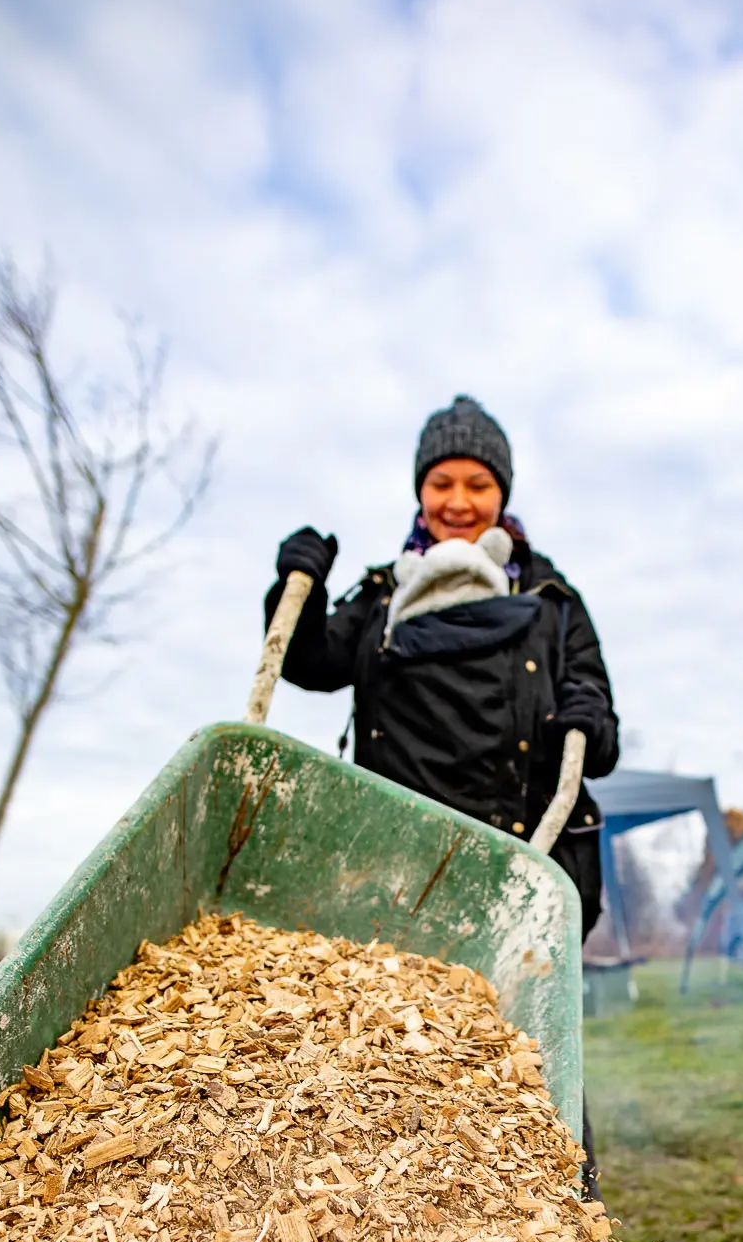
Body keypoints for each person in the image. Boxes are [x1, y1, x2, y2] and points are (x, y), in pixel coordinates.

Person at [264, 395, 619, 939]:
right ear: (420, 492)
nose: (458, 502)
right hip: (396, 872)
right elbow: (310, 663)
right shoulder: (385, 594)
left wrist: (591, 720)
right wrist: (299, 592)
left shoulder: (552, 600)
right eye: (441, 483)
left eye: (478, 485)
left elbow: (601, 741)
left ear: (502, 493)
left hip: (513, 876)